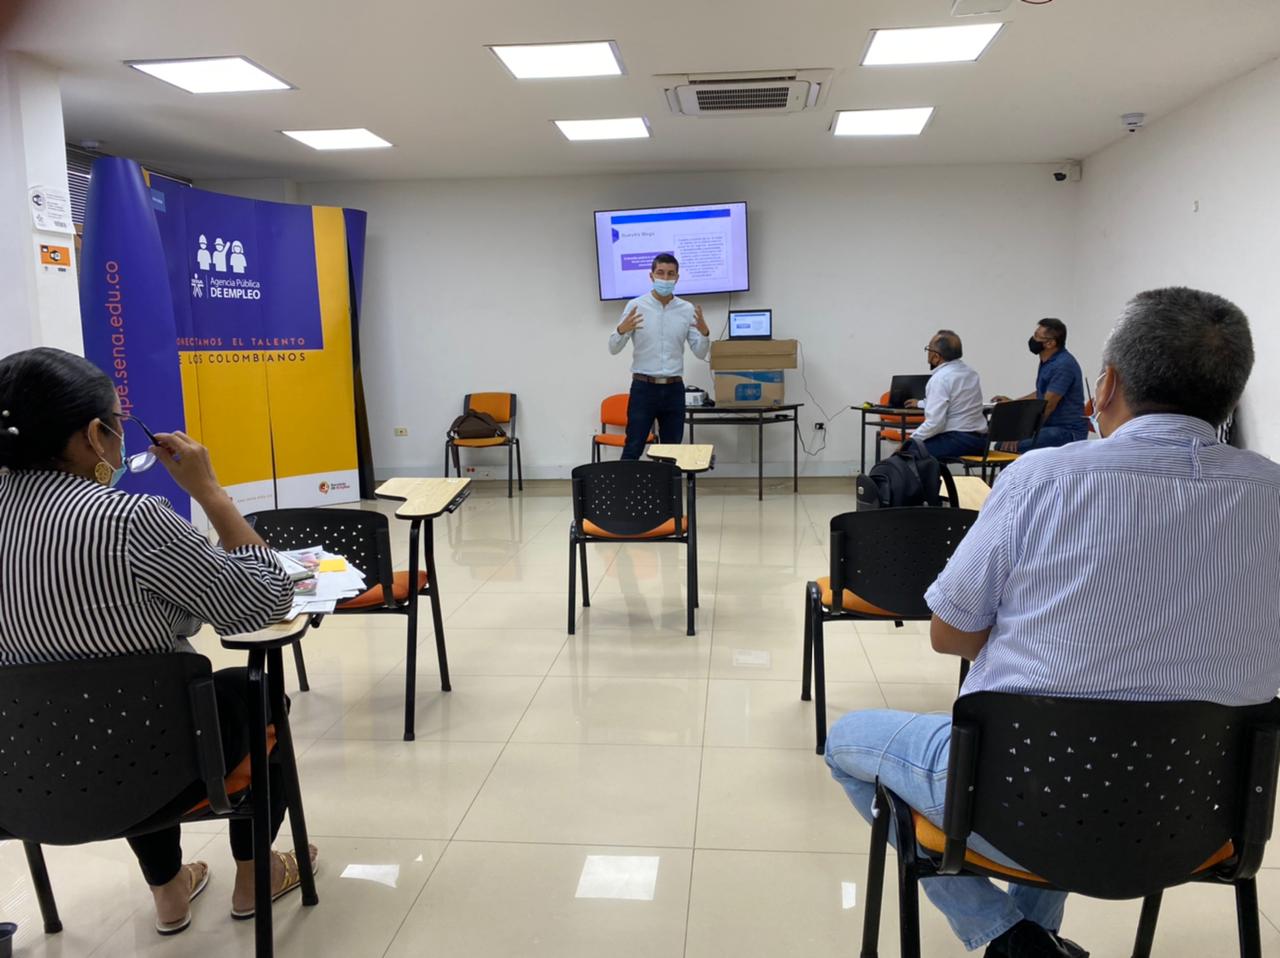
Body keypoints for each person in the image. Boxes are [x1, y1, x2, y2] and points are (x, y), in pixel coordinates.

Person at [825, 287, 1277, 958]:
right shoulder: (1271, 492)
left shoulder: (1043, 478)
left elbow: (950, 633)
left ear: (1108, 384)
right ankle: (1037, 941)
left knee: (846, 742)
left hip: (1018, 797)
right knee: (1071, 738)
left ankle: (1008, 937)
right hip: (1202, 814)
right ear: (1230, 399)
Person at [0, 347, 317, 937]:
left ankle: (168, 890)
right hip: (154, 769)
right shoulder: (131, 520)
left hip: (17, 780)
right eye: (118, 424)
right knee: (240, 694)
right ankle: (256, 876)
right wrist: (212, 493)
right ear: (95, 436)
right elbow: (266, 598)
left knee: (109, 704)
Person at [607, 253, 710, 459]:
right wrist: (621, 330)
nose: (665, 278)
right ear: (651, 276)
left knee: (672, 451)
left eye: (670, 274)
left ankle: (668, 483)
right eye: (660, 273)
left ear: (677, 278)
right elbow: (613, 348)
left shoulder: (686, 309)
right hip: (643, 388)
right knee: (633, 446)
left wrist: (705, 333)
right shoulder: (636, 306)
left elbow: (700, 353)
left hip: (674, 389)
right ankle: (627, 482)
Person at [991, 318, 1087, 451]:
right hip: (1050, 428)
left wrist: (1020, 432)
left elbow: (1048, 405)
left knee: (1006, 446)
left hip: (1067, 431)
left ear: (1050, 343)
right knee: (1001, 443)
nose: (1033, 339)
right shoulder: (1049, 361)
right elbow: (1041, 393)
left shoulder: (1063, 365)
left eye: (1037, 336)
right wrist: (1013, 403)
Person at [905, 330, 988, 460]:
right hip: (981, 442)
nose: (927, 353)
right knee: (921, 448)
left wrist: (910, 441)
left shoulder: (940, 379)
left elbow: (935, 423)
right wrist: (920, 403)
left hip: (957, 440)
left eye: (928, 349)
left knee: (909, 452)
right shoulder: (971, 373)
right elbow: (954, 402)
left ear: (936, 357)